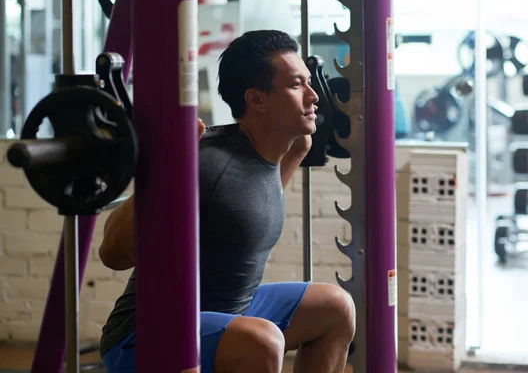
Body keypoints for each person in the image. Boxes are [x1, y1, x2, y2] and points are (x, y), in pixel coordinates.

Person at [98, 30, 356, 373]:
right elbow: (111, 254)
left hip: (234, 312)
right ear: (257, 100)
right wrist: (169, 168)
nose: (314, 96)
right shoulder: (207, 162)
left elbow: (249, 206)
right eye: (297, 85)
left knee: (335, 308)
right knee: (262, 341)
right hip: (144, 335)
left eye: (309, 83)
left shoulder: (289, 149)